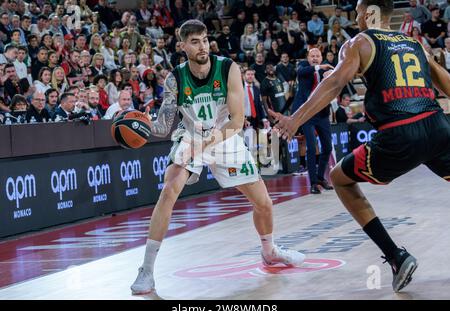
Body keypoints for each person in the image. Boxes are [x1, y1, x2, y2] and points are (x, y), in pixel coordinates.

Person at [270, 0, 450, 292]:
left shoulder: (358, 43)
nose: (355, 16)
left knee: (339, 178)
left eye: (358, 11)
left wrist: (295, 118)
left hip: (399, 133)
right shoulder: (414, 43)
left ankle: (396, 256)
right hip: (438, 125)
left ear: (369, 13)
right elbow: (447, 86)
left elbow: (335, 84)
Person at [130, 19, 305, 295]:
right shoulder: (175, 77)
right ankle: (147, 270)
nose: (202, 46)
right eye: (195, 41)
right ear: (183, 46)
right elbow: (164, 127)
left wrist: (206, 143)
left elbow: (236, 122)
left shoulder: (227, 68)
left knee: (264, 203)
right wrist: (138, 125)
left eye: (204, 39)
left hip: (224, 136)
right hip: (190, 135)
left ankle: (269, 251)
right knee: (169, 189)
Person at [292, 48, 335, 194]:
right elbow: (300, 73)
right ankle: (313, 183)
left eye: (318, 56)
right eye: (312, 56)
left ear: (321, 57)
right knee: (311, 147)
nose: (315, 58)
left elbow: (335, 84)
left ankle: (320, 177)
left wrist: (331, 76)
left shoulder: (326, 71)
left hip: (322, 113)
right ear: (308, 58)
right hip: (307, 114)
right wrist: (318, 67)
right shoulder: (304, 66)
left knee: (328, 147)